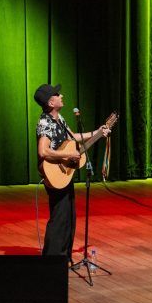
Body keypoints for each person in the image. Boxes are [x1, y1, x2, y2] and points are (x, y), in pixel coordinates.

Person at [34, 83, 110, 258]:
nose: (61, 95)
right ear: (51, 103)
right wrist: (66, 154)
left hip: (64, 174)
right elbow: (43, 151)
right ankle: (52, 260)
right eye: (57, 94)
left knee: (69, 217)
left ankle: (63, 257)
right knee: (59, 218)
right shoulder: (45, 122)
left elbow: (72, 137)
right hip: (54, 173)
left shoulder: (59, 119)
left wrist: (97, 132)